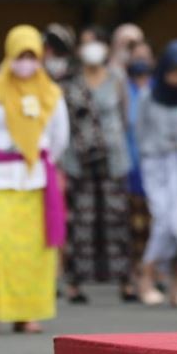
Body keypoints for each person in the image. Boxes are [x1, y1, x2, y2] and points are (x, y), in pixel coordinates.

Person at [0, 25, 69, 335]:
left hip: (35, 181)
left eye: (32, 56)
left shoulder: (50, 92)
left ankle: (27, 314)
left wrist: (35, 158)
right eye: (20, 56)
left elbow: (59, 136)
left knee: (32, 250)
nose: (26, 63)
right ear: (9, 55)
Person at [61, 30, 132, 303]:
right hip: (79, 159)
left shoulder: (117, 79)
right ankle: (75, 282)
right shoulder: (70, 82)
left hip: (112, 159)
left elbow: (125, 117)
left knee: (117, 218)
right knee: (82, 220)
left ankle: (124, 280)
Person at [136, 40, 177, 308]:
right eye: (172, 71)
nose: (176, 78)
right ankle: (147, 276)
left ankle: (176, 286)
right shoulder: (149, 97)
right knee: (164, 221)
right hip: (158, 165)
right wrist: (157, 151)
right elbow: (140, 132)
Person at [124, 39, 156, 301]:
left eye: (145, 56)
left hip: (155, 167)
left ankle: (154, 274)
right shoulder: (122, 88)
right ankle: (134, 274)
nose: (141, 61)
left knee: (155, 224)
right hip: (129, 165)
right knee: (132, 226)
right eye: (136, 56)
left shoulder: (159, 89)